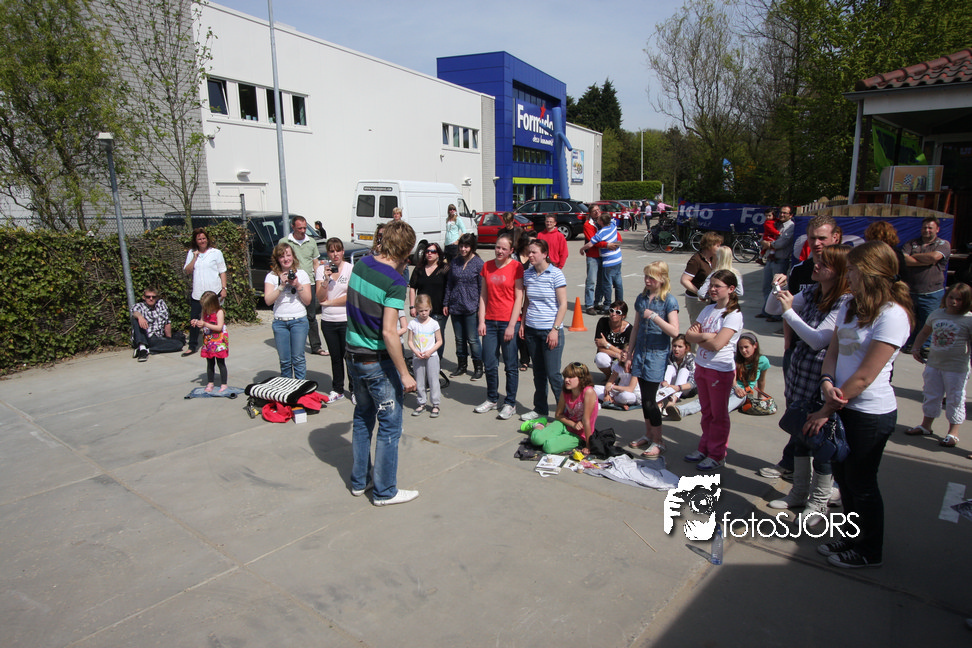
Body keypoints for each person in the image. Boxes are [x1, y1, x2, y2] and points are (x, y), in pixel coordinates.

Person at [810, 240, 912, 568]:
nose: (848, 276)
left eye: (852, 270)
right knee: (844, 479)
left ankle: (869, 549)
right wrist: (827, 382)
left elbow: (866, 376)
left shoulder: (893, 315)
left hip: (869, 414)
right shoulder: (849, 306)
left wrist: (826, 409)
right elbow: (833, 353)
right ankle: (851, 536)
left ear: (870, 273)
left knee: (862, 483)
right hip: (842, 405)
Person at [763, 244, 852, 514]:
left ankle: (819, 501)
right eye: (817, 260)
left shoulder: (844, 301)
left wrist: (789, 311)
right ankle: (799, 493)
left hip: (822, 382)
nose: (816, 265)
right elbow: (773, 308)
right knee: (800, 436)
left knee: (820, 441)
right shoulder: (813, 291)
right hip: (800, 378)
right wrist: (777, 289)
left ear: (839, 271)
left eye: (824, 263)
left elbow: (817, 340)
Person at [345, 219, 419, 507]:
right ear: (406, 250)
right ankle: (385, 491)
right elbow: (389, 332)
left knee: (363, 417)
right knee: (389, 425)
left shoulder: (361, 264)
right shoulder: (395, 282)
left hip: (353, 356)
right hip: (376, 362)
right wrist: (405, 373)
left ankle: (359, 481)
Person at [684, 269, 743, 470]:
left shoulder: (733, 315)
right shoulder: (708, 309)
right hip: (702, 366)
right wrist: (706, 337)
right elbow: (689, 335)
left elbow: (718, 345)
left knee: (718, 415)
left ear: (731, 289)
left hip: (720, 370)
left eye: (718, 286)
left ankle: (717, 454)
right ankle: (705, 447)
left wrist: (704, 339)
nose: (713, 289)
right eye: (711, 285)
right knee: (706, 412)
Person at [906, 282, 972, 449]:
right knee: (931, 394)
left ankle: (953, 432)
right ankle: (926, 425)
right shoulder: (937, 314)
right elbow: (924, 332)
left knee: (955, 398)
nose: (954, 302)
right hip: (934, 364)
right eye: (951, 297)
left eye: (959, 299)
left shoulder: (968, 319)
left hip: (956, 368)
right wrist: (916, 347)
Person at [625, 262, 680, 457]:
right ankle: (649, 434)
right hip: (640, 353)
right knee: (645, 399)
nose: (647, 281)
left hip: (656, 355)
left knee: (650, 400)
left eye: (652, 277)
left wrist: (655, 317)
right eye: (646, 277)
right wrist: (629, 354)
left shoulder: (669, 301)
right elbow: (636, 327)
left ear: (662, 279)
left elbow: (675, 331)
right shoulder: (641, 298)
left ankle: (659, 441)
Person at [475, 231, 524, 420]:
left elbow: (519, 297)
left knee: (510, 366)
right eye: (497, 247)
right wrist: (481, 320)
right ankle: (492, 399)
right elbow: (483, 296)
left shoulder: (516, 267)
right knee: (489, 363)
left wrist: (512, 325)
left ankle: (510, 403)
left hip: (508, 322)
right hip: (490, 321)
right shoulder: (487, 266)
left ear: (511, 250)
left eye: (504, 248)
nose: (499, 251)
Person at [666, 331, 768, 421]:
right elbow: (732, 373)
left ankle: (715, 414)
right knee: (706, 400)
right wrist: (735, 387)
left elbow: (762, 380)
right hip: (730, 386)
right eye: (740, 348)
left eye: (746, 347)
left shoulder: (763, 361)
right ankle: (679, 410)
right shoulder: (735, 358)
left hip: (743, 393)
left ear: (755, 345)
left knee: (726, 406)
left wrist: (760, 397)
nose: (743, 350)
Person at [519, 238, 568, 422]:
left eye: (534, 252)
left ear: (545, 254)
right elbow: (527, 301)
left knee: (553, 374)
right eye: (529, 252)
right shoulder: (527, 274)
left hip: (550, 331)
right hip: (532, 329)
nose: (530, 255)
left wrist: (555, 329)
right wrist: (523, 323)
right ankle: (540, 409)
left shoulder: (556, 274)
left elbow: (563, 305)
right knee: (538, 373)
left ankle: (565, 414)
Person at [528, 362, 599, 455]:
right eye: (565, 377)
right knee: (536, 439)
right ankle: (538, 425)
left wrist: (588, 446)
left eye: (570, 377)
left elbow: (586, 421)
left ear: (581, 378)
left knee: (548, 447)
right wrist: (573, 424)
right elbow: (558, 415)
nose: (566, 380)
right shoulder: (566, 392)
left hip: (579, 433)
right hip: (564, 424)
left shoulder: (588, 392)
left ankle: (554, 436)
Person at [902, 215, 950, 352]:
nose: (927, 230)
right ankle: (909, 344)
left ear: (937, 229)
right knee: (910, 321)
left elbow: (935, 257)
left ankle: (925, 347)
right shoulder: (911, 243)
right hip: (911, 291)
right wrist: (926, 261)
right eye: (924, 227)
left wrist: (914, 257)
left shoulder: (943, 244)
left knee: (929, 322)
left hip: (932, 293)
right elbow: (904, 260)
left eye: (930, 228)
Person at [264, 243, 312, 379]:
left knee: (298, 359)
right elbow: (268, 300)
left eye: (288, 255)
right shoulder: (271, 276)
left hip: (298, 321)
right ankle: (287, 388)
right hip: (280, 322)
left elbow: (308, 300)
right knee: (285, 361)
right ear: (277, 259)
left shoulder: (302, 274)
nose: (286, 259)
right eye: (282, 256)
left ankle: (300, 387)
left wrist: (297, 284)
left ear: (293, 256)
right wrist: (281, 286)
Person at [280, 216, 325, 356]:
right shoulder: (284, 242)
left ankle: (316, 346)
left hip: (309, 283)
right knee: (293, 315)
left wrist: (319, 280)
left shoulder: (311, 242)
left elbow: (315, 263)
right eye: (300, 228)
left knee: (311, 315)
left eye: (305, 228)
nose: (303, 231)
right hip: (290, 283)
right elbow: (279, 261)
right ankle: (293, 345)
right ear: (293, 227)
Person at [315, 237, 353, 401]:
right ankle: (337, 389)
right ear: (328, 253)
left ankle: (354, 390)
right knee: (335, 357)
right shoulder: (321, 270)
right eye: (331, 251)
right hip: (328, 321)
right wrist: (325, 280)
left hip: (345, 319)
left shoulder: (350, 269)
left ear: (343, 252)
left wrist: (330, 302)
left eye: (338, 250)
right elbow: (319, 297)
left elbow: (351, 297)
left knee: (349, 356)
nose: (335, 254)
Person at [443, 232, 484, 379]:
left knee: (473, 339)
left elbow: (482, 288)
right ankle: (462, 365)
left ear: (472, 247)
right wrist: (446, 302)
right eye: (461, 246)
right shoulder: (455, 262)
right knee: (459, 339)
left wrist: (480, 308)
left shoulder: (479, 264)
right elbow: (449, 284)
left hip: (471, 307)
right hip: (455, 306)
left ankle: (478, 367)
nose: (463, 249)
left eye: (466, 246)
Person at [182, 228, 227, 356]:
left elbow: (222, 271)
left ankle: (218, 342)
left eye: (204, 238)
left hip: (213, 292)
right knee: (194, 319)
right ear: (195, 241)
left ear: (207, 239)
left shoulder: (216, 253)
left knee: (215, 318)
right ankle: (192, 346)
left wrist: (224, 288)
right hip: (198, 293)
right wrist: (194, 257)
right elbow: (188, 270)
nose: (202, 241)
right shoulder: (192, 253)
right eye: (199, 239)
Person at [408, 242, 450, 360]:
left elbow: (449, 288)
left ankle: (436, 360)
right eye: (427, 251)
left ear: (438, 254)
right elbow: (412, 288)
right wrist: (412, 306)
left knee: (437, 337)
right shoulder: (419, 269)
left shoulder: (444, 268)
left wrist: (446, 304)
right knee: (421, 334)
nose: (430, 254)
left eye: (433, 251)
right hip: (422, 308)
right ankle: (421, 357)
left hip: (439, 309)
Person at [408, 294, 444, 418]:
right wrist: (415, 351)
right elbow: (410, 341)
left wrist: (430, 351)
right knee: (420, 381)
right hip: (418, 357)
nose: (423, 313)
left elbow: (439, 341)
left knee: (433, 380)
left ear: (430, 308)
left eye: (426, 310)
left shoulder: (434, 323)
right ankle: (421, 403)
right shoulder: (413, 323)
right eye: (421, 311)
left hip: (432, 356)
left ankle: (435, 404)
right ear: (416, 310)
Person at [757, 205, 794, 321]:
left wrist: (769, 244)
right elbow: (764, 236)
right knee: (766, 287)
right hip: (770, 259)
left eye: (785, 213)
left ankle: (776, 315)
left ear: (791, 215)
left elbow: (782, 243)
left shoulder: (791, 226)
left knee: (777, 288)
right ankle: (767, 311)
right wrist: (764, 241)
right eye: (781, 212)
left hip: (780, 261)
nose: (782, 215)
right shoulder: (775, 223)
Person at [789, 215, 841, 294]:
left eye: (822, 238)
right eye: (812, 238)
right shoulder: (798, 270)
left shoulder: (845, 269)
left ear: (835, 237)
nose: (816, 243)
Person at [581, 211, 622, 308]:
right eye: (594, 211)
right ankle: (620, 304)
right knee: (617, 283)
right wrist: (609, 244)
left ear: (601, 222)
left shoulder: (601, 232)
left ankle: (607, 305)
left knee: (607, 284)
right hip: (617, 258)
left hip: (609, 260)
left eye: (598, 210)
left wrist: (582, 249)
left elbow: (591, 243)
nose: (597, 212)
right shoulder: (612, 225)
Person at [130, 287, 185, 360]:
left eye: (153, 297)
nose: (151, 299)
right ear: (144, 297)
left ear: (157, 297)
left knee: (178, 344)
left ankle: (146, 350)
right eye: (148, 297)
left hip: (156, 338)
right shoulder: (139, 306)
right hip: (145, 336)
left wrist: (169, 339)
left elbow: (167, 322)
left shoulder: (161, 305)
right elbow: (135, 312)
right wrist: (140, 317)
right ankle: (142, 347)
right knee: (136, 320)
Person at [680, 232, 722, 325]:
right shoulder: (696, 260)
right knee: (698, 326)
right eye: (717, 246)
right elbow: (684, 280)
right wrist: (699, 293)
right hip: (696, 299)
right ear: (709, 245)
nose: (719, 248)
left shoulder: (712, 258)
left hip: (709, 298)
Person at [190, 290, 228, 393]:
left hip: (219, 340)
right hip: (208, 340)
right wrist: (197, 322)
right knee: (210, 362)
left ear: (213, 304)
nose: (205, 308)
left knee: (220, 362)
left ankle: (224, 384)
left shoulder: (219, 312)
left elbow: (219, 327)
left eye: (206, 306)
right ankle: (210, 382)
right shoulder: (204, 311)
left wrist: (205, 324)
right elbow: (202, 322)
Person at [593, 300, 632, 378]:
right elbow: (600, 348)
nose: (613, 314)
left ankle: (620, 378)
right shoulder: (602, 322)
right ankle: (609, 377)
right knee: (600, 358)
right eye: (611, 310)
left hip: (623, 358)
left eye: (618, 312)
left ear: (623, 316)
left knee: (625, 363)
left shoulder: (629, 329)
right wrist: (617, 354)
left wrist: (606, 344)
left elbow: (627, 353)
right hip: (612, 355)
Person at [657, 335, 696, 412]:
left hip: (685, 389)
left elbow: (693, 382)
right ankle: (659, 401)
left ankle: (671, 403)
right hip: (670, 387)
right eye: (674, 346)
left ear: (686, 348)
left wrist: (678, 387)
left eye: (680, 347)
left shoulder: (691, 359)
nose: (676, 349)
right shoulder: (669, 355)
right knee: (670, 367)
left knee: (684, 370)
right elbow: (659, 370)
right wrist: (663, 381)